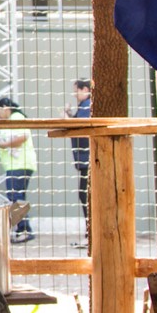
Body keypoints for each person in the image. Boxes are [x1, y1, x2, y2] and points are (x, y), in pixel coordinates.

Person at [0, 97, 37, 243]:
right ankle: (22, 229)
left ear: (5, 108)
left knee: (16, 198)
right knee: (16, 197)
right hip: (16, 165)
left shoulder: (16, 117)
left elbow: (21, 137)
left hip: (19, 165)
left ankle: (24, 230)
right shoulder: (12, 119)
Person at [63, 78, 93, 248]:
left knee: (85, 195)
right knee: (84, 195)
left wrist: (67, 117)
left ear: (84, 89)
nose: (75, 95)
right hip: (84, 160)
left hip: (86, 159)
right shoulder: (83, 107)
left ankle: (90, 234)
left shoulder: (87, 105)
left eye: (76, 91)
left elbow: (78, 129)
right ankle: (89, 233)